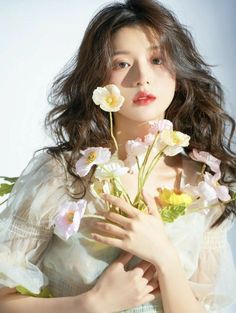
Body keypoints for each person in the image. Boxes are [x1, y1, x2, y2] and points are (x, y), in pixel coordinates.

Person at [0, 0, 236, 312]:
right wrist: (90, 305)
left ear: (179, 72)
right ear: (97, 79)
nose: (142, 77)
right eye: (121, 64)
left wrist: (165, 258)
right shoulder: (63, 175)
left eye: (157, 59)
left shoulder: (205, 186)